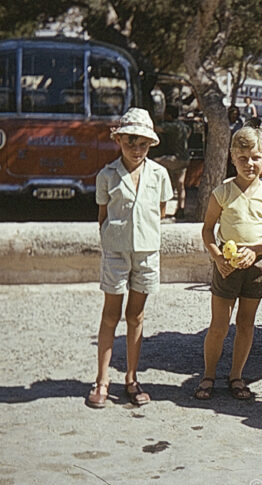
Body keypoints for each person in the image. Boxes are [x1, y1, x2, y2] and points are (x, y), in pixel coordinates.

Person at [87, 107, 174, 408]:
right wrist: (117, 238)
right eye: (130, 142)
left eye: (143, 144)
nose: (136, 150)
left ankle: (131, 378)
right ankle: (101, 380)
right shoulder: (107, 175)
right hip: (116, 252)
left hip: (147, 253)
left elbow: (160, 212)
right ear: (119, 140)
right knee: (111, 313)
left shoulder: (160, 174)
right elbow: (103, 215)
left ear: (151, 144)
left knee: (136, 315)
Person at [195, 126, 262, 400]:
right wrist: (218, 257)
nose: (249, 164)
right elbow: (208, 230)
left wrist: (255, 251)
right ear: (232, 157)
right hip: (227, 265)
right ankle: (209, 374)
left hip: (257, 266)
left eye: (256, 157)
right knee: (219, 324)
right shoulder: (222, 193)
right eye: (243, 158)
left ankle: (236, 376)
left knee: (246, 324)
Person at [152, 105, 191, 218]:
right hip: (185, 159)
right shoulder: (184, 126)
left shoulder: (172, 126)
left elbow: (157, 128)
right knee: (180, 185)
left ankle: (161, 208)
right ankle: (181, 209)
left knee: (152, 163)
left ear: (169, 115)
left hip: (175, 158)